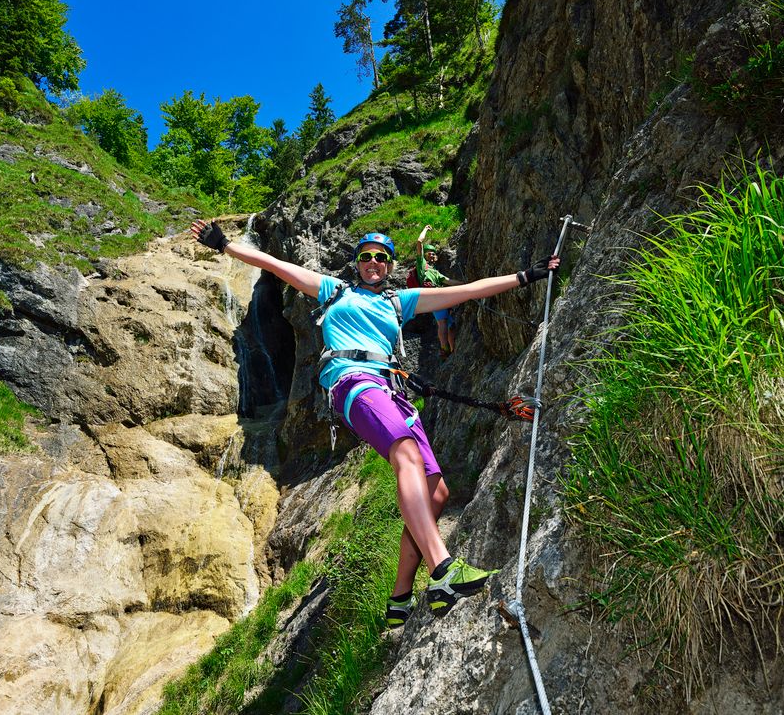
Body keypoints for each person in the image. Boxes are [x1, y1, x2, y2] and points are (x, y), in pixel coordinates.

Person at [189, 218, 559, 626]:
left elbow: (466, 292)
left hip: (392, 393)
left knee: (437, 493)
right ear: (356, 263)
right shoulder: (335, 291)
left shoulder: (398, 302)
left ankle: (401, 598)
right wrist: (224, 245)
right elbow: (277, 266)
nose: (373, 262)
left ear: (390, 265)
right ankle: (444, 569)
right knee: (405, 452)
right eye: (365, 256)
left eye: (381, 257)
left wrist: (525, 276)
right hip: (351, 382)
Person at [408, 226, 460, 358]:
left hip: (439, 296)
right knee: (442, 322)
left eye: (433, 253)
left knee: (451, 325)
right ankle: (444, 348)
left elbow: (449, 281)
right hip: (433, 297)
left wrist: (468, 285)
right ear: (424, 254)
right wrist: (425, 229)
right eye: (429, 252)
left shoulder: (434, 272)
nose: (432, 255)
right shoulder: (422, 266)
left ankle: (452, 349)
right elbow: (419, 242)